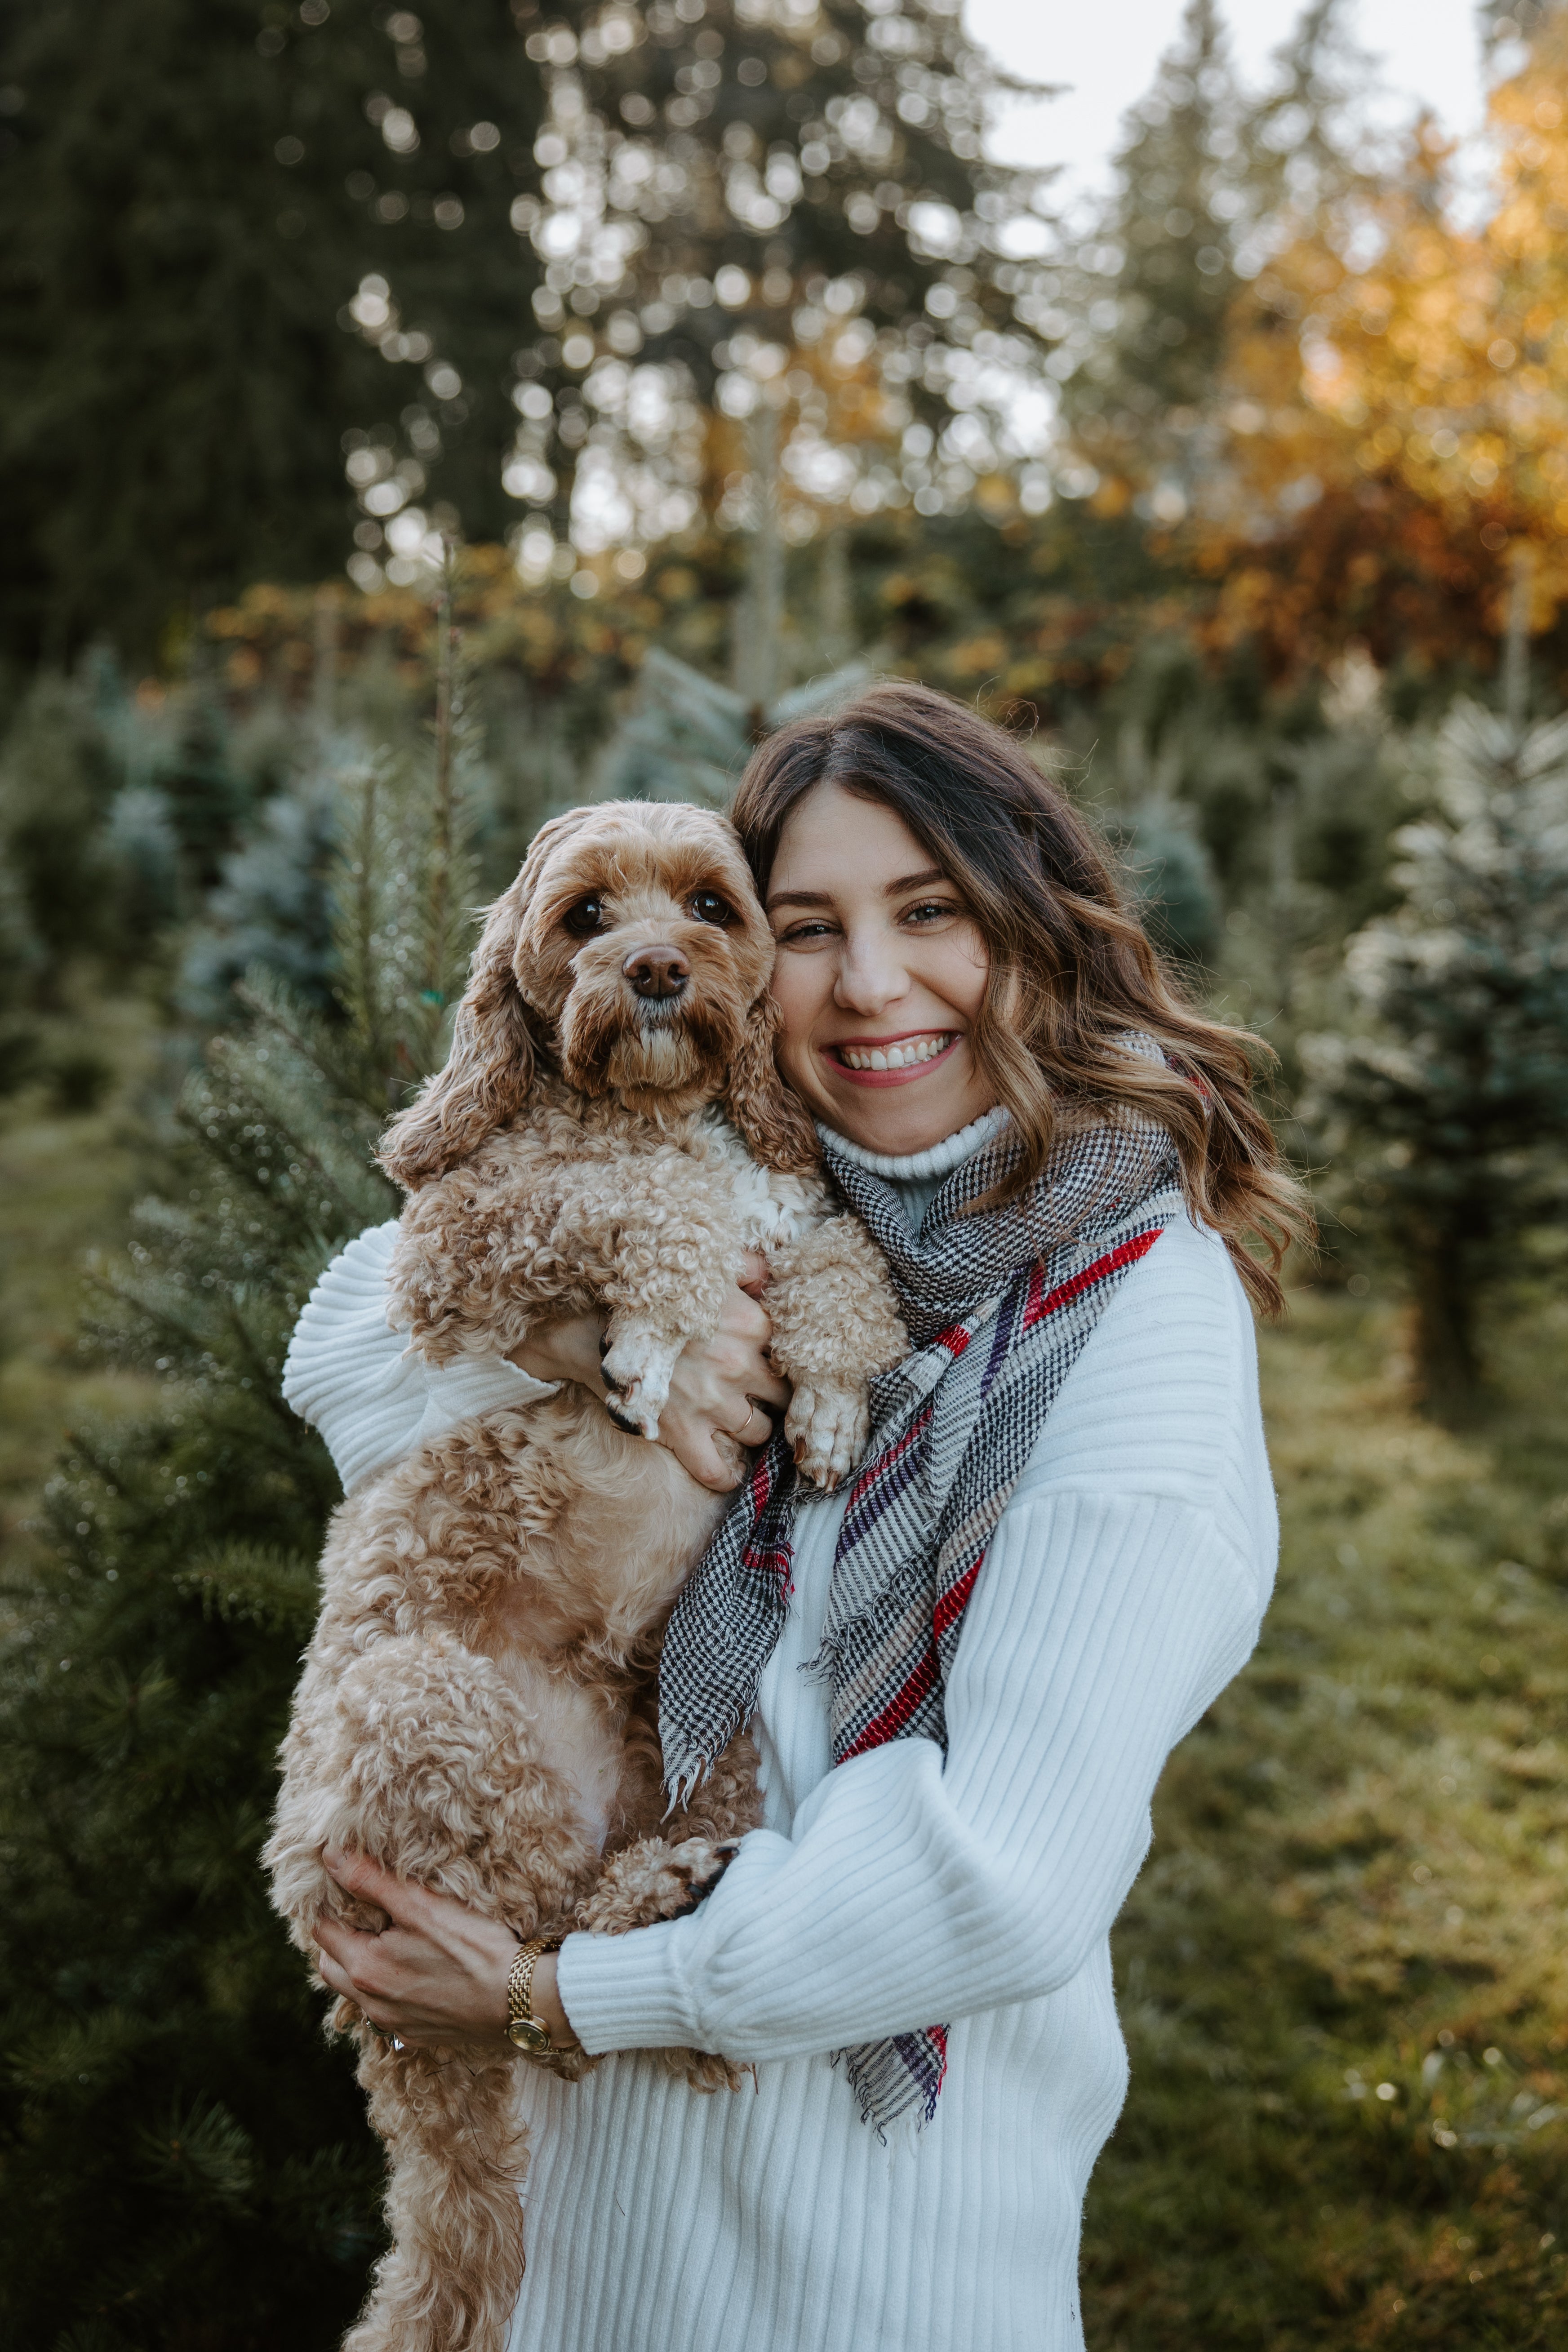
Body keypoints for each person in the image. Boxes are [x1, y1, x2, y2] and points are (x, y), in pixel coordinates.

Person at [289, 682, 1310, 2352]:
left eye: (930, 914)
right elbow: (344, 1326)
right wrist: (583, 1347)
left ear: (1033, 927)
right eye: (813, 925)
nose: (871, 985)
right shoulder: (781, 1181)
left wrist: (556, 1995)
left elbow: (1003, 1879)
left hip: (851, 2251)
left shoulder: (1136, 1318)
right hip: (581, 2239)